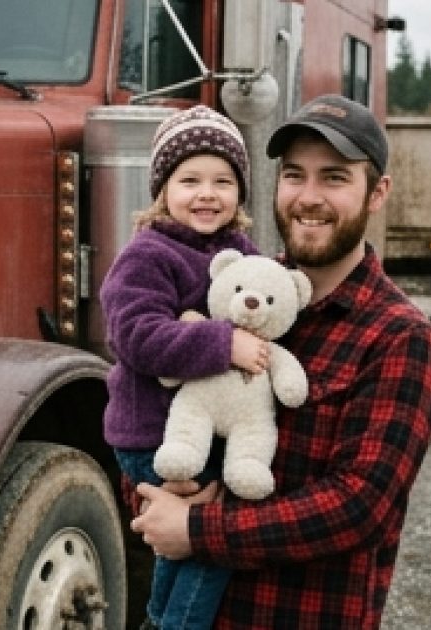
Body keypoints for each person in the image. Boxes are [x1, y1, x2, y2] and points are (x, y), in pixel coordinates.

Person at [130, 94, 431, 629]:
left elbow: (358, 506)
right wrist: (159, 493)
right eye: (294, 175)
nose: (309, 197)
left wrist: (198, 530)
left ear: (377, 193)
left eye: (335, 178)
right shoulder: (229, 293)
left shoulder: (399, 337)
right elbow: (148, 409)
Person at [100, 104, 270, 630]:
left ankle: (159, 618)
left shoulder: (240, 250)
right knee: (207, 543)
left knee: (181, 546)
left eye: (223, 180)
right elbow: (137, 337)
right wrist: (226, 345)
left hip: (203, 428)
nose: (207, 193)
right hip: (153, 433)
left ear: (240, 192)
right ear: (162, 190)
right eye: (189, 179)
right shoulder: (148, 255)